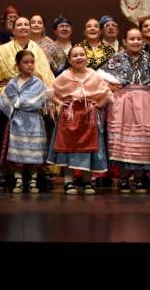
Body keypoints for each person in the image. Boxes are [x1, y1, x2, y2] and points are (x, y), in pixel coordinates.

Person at [0, 16, 55, 190]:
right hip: (9, 95)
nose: (23, 27)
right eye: (18, 25)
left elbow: (47, 77)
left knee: (37, 137)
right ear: (12, 30)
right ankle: (3, 172)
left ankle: (35, 174)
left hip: (36, 96)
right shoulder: (2, 50)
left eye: (26, 25)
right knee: (0, 131)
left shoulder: (38, 50)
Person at [99, 28, 150, 193]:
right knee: (125, 139)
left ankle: (138, 178)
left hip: (144, 102)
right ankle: (123, 177)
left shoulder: (148, 59)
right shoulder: (117, 58)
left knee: (142, 139)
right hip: (124, 102)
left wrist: (149, 97)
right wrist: (112, 86)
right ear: (124, 41)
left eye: (138, 39)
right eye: (132, 39)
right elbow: (99, 75)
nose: (136, 42)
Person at [47, 45, 112, 194]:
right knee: (68, 148)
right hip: (69, 117)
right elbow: (52, 92)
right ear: (69, 60)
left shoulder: (94, 75)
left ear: (87, 58)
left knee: (89, 148)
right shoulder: (65, 75)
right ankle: (68, 182)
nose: (79, 57)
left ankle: (87, 181)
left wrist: (99, 104)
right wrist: (60, 103)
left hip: (89, 117)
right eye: (75, 55)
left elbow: (106, 93)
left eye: (82, 54)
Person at [0, 50, 50, 193]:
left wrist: (20, 103)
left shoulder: (38, 83)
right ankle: (18, 179)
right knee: (17, 150)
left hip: (34, 120)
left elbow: (40, 101)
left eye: (32, 62)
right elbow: (3, 101)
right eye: (26, 62)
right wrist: (16, 106)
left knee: (34, 150)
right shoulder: (13, 83)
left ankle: (33, 180)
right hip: (17, 121)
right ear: (18, 65)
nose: (30, 65)